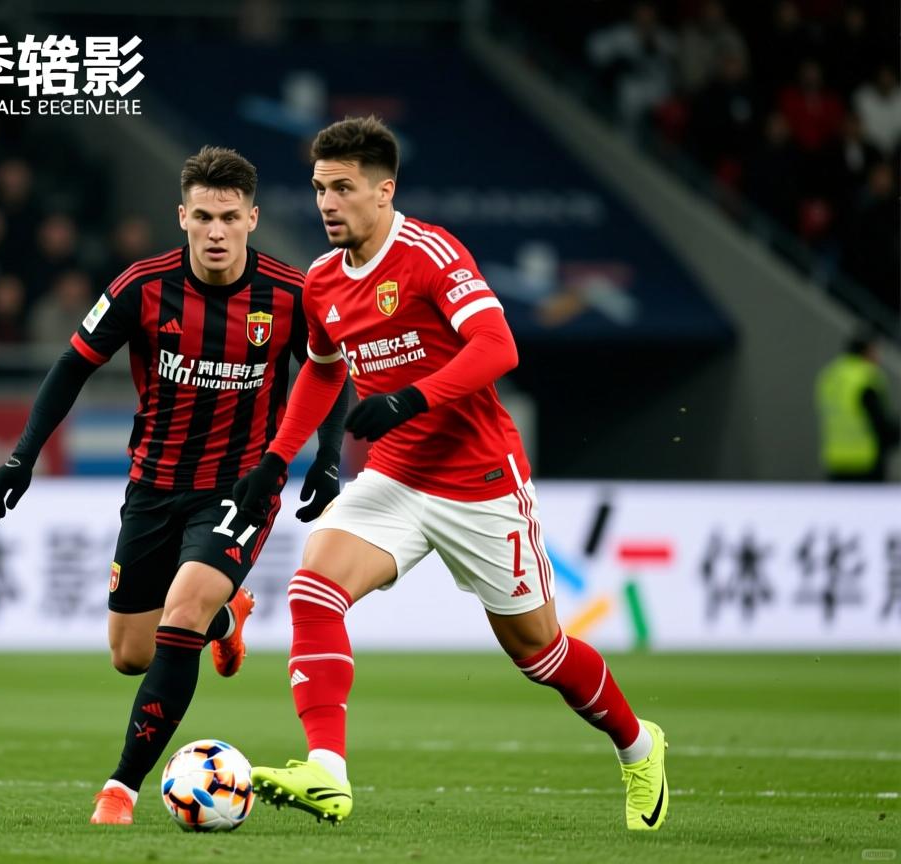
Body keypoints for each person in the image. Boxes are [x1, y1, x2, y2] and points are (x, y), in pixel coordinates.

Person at [232, 116, 669, 831]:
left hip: (479, 482)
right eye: (319, 188)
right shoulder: (322, 281)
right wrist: (278, 458)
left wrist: (410, 398)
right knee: (312, 589)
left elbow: (498, 347)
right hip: (396, 480)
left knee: (538, 652)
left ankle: (638, 744)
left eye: (343, 188)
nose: (327, 203)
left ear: (384, 190)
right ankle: (327, 771)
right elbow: (321, 368)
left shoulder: (430, 254)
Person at [0, 146, 347, 826]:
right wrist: (22, 456)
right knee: (130, 654)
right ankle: (226, 617)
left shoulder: (290, 294)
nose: (216, 231)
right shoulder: (142, 287)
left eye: (230, 218)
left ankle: (120, 789)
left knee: (180, 617)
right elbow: (72, 365)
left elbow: (331, 372)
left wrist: (328, 458)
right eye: (203, 216)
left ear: (252, 219)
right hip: (153, 486)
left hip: (240, 489)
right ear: (182, 216)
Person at [816, 330, 899, 482]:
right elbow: (880, 424)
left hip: (836, 459)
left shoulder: (830, 375)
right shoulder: (864, 378)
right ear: (868, 351)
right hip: (865, 462)